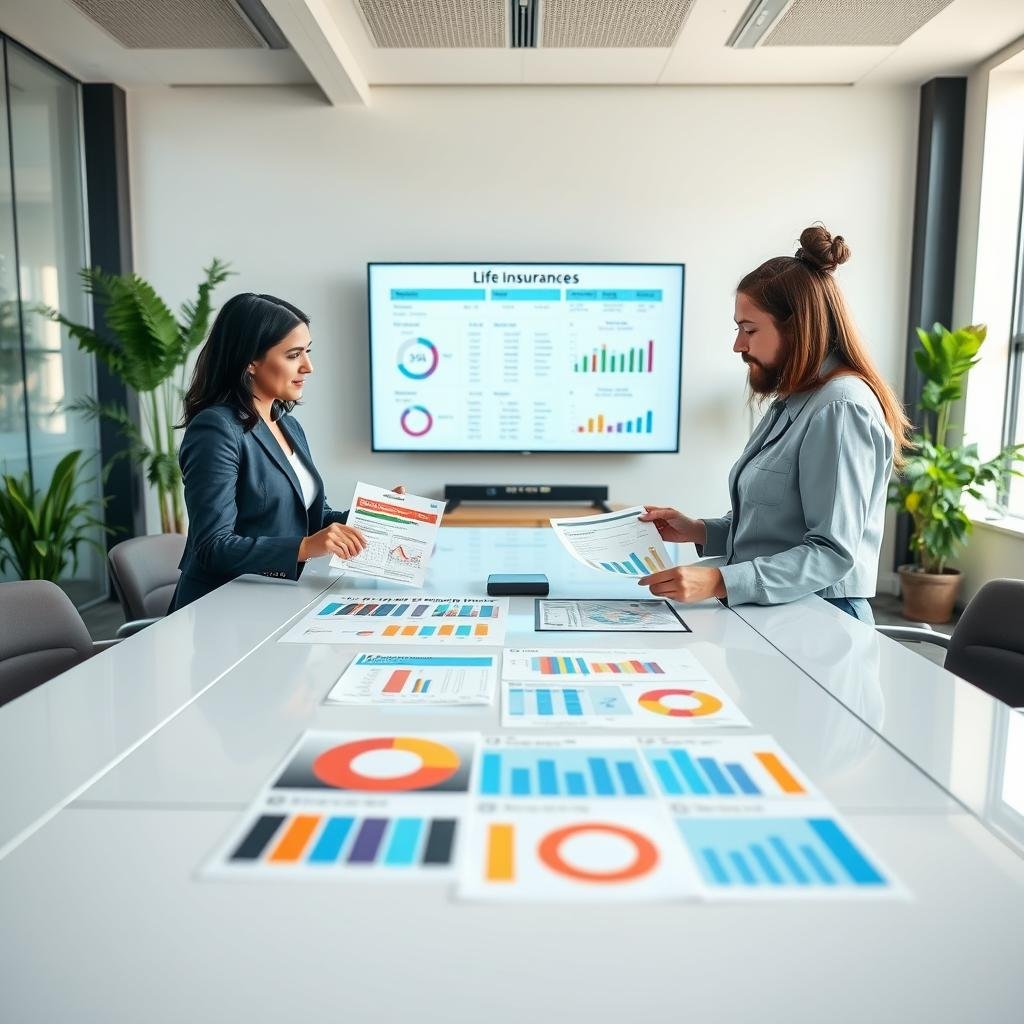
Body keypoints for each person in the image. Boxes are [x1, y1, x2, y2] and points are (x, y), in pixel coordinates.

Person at [639, 225, 910, 623]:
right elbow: (776, 528)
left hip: (821, 620)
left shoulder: (840, 408)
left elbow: (832, 553)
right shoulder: (797, 399)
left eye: (749, 330)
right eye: (738, 329)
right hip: (779, 615)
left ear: (796, 328)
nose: (738, 345)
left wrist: (717, 581)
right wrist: (698, 530)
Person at [169, 292, 398, 611]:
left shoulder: (286, 424)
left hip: (275, 598)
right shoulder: (216, 428)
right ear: (250, 361)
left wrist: (377, 515)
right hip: (221, 606)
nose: (308, 367)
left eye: (307, 352)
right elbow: (213, 546)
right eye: (293, 355)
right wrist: (304, 547)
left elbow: (310, 518)